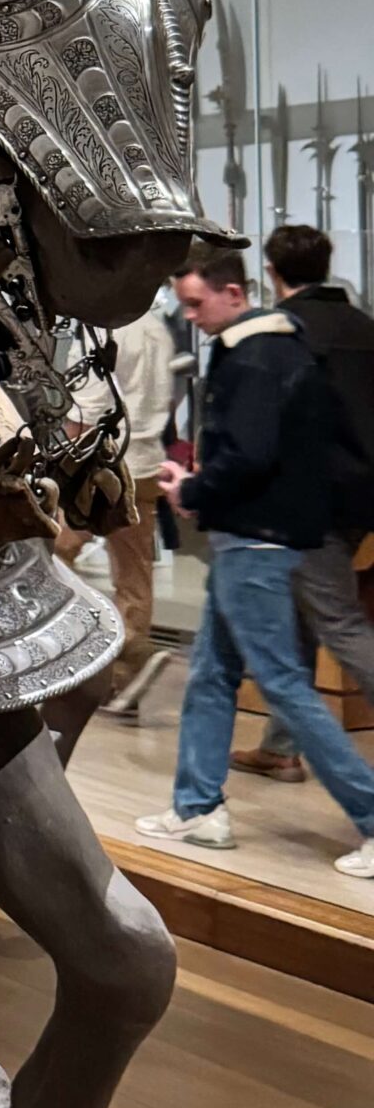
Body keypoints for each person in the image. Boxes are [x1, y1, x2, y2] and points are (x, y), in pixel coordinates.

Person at [136, 251, 374, 876]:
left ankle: (372, 813)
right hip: (253, 535)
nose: (191, 316)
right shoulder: (282, 349)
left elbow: (249, 455)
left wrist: (194, 489)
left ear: (235, 293)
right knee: (212, 671)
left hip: (256, 539)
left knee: (282, 684)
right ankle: (197, 806)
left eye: (196, 303)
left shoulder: (256, 356)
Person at [232, 225, 374, 781]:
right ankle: (280, 746)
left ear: (271, 271)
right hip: (360, 498)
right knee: (300, 620)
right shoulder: (365, 328)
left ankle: (281, 745)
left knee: (338, 622)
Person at [56, 297, 177, 723]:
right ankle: (127, 676)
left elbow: (87, 408)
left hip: (101, 464)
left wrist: (63, 464)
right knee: (134, 573)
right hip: (146, 462)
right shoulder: (158, 329)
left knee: (53, 555)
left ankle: (80, 651)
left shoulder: (104, 329)